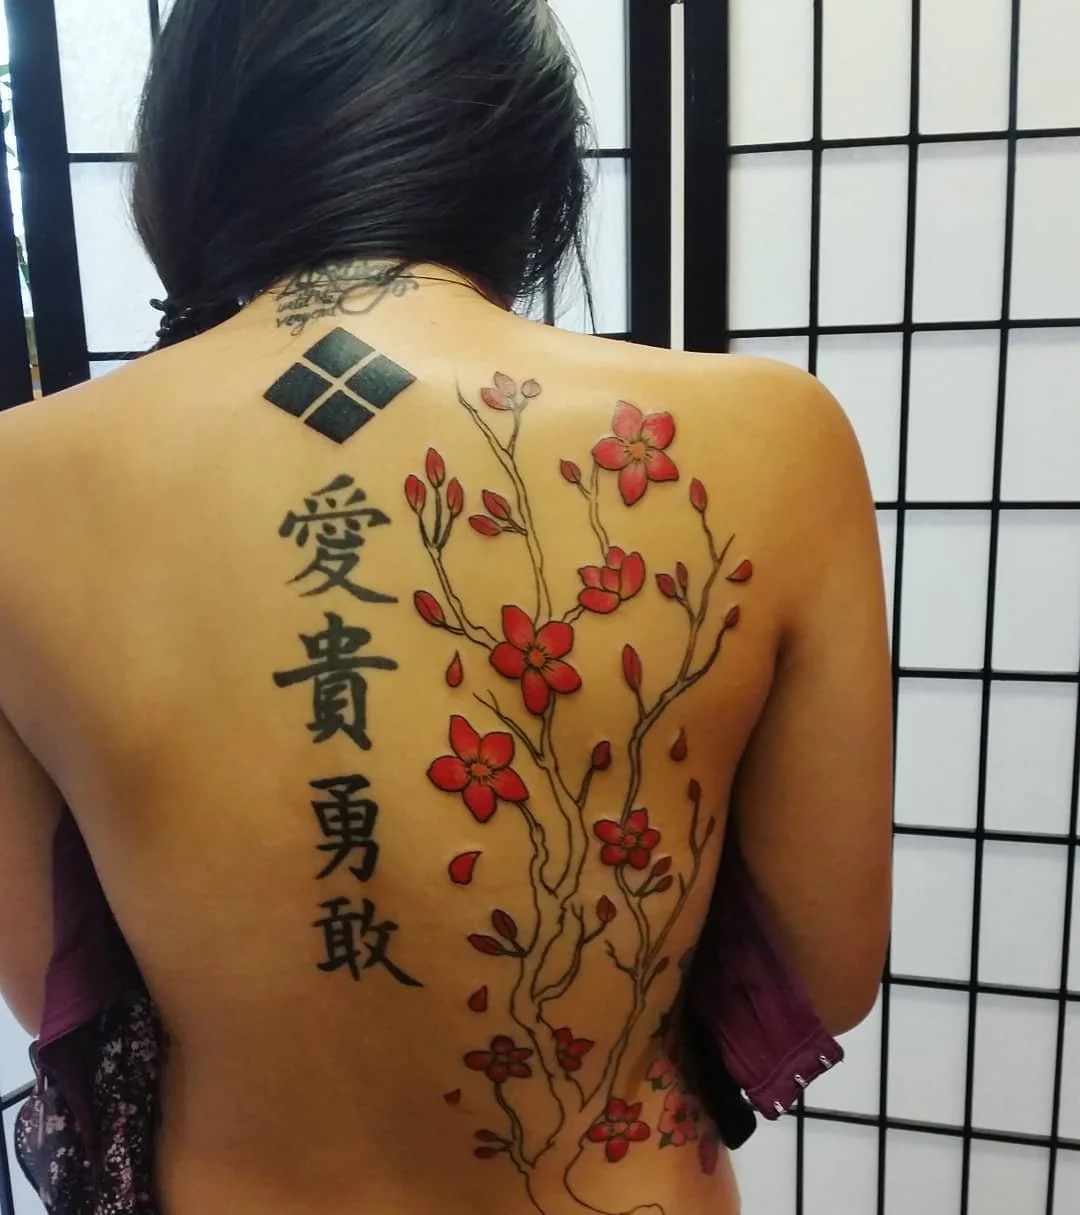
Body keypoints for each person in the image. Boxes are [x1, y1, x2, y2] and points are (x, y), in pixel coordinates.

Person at [0, 1, 893, 1212]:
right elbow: (826, 969)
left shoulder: (18, 484)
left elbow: (49, 980)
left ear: (192, 154)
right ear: (524, 155)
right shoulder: (771, 439)